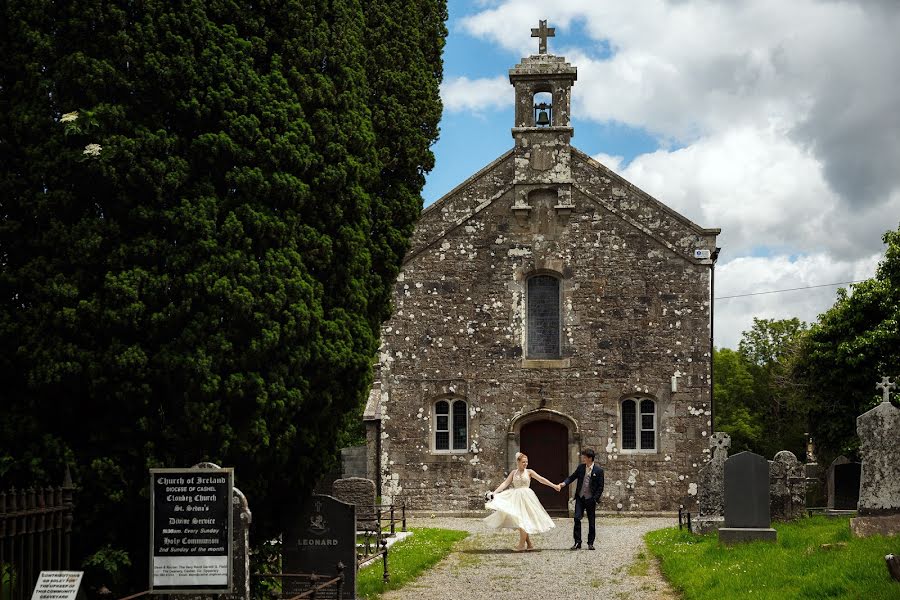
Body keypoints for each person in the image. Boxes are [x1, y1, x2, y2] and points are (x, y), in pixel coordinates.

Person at [484, 451, 559, 551]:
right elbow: (505, 483)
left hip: (527, 497)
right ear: (518, 462)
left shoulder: (529, 472)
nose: (525, 464)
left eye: (526, 462)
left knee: (523, 520)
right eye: (523, 462)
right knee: (521, 520)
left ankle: (521, 545)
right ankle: (530, 545)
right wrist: (494, 493)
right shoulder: (513, 473)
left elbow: (541, 479)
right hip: (516, 498)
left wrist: (554, 486)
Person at [557, 448, 604, 550]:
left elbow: (600, 487)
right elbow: (572, 477)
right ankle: (577, 542)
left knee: (591, 522)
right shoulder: (581, 468)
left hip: (591, 500)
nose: (583, 458)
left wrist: (594, 499)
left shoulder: (599, 471)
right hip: (580, 498)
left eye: (585, 457)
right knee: (577, 518)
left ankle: (590, 543)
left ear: (590, 458)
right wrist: (563, 484)